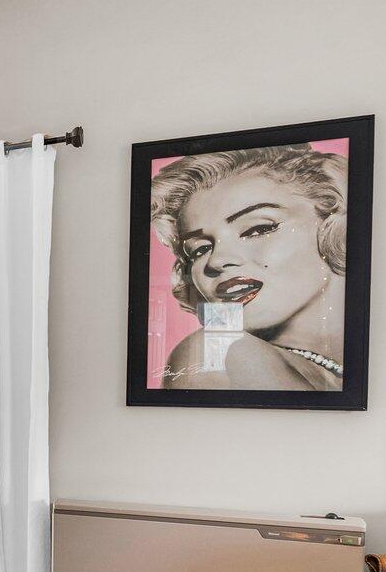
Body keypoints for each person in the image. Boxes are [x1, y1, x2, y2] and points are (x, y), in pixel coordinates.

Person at [149, 145, 349, 391]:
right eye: (199, 250)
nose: (217, 260)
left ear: (333, 224)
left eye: (257, 229)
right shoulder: (225, 353)